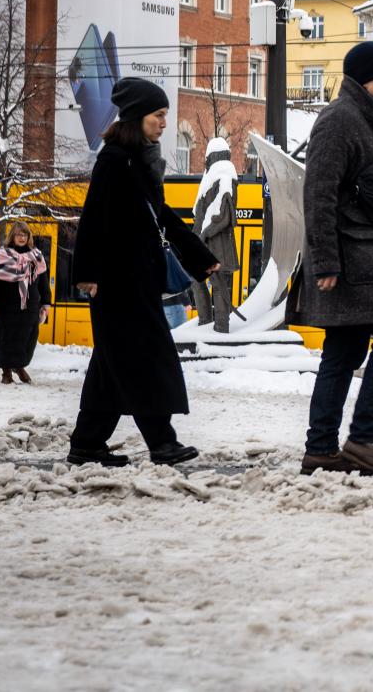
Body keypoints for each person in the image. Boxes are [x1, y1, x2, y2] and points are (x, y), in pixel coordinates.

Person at [68, 78, 220, 467]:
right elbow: (93, 217)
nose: (164, 122)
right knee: (144, 359)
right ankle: (162, 442)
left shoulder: (138, 160)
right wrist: (85, 272)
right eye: (159, 115)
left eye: (165, 114)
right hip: (116, 282)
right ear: (138, 117)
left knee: (112, 365)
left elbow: (162, 217)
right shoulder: (115, 159)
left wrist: (198, 256)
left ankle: (87, 443)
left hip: (136, 279)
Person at [295, 41, 373, 476]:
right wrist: (325, 262)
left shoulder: (371, 120)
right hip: (352, 259)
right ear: (368, 78)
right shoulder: (339, 122)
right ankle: (363, 438)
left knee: (343, 351)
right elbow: (318, 194)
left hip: (370, 252)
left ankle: (321, 449)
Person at [190, 136, 240, 332]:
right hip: (206, 243)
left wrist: (204, 234)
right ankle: (206, 323)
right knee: (198, 280)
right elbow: (201, 214)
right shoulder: (211, 177)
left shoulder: (225, 174)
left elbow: (224, 214)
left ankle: (221, 327)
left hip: (218, 244)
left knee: (219, 285)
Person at [0, 219, 50, 384]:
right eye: (18, 234)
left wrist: (45, 303)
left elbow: (43, 282)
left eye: (25, 235)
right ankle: (6, 372)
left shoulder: (36, 256)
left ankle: (19, 366)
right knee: (7, 338)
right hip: (6, 305)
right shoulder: (2, 255)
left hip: (30, 305)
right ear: (12, 236)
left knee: (29, 337)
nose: (22, 238)